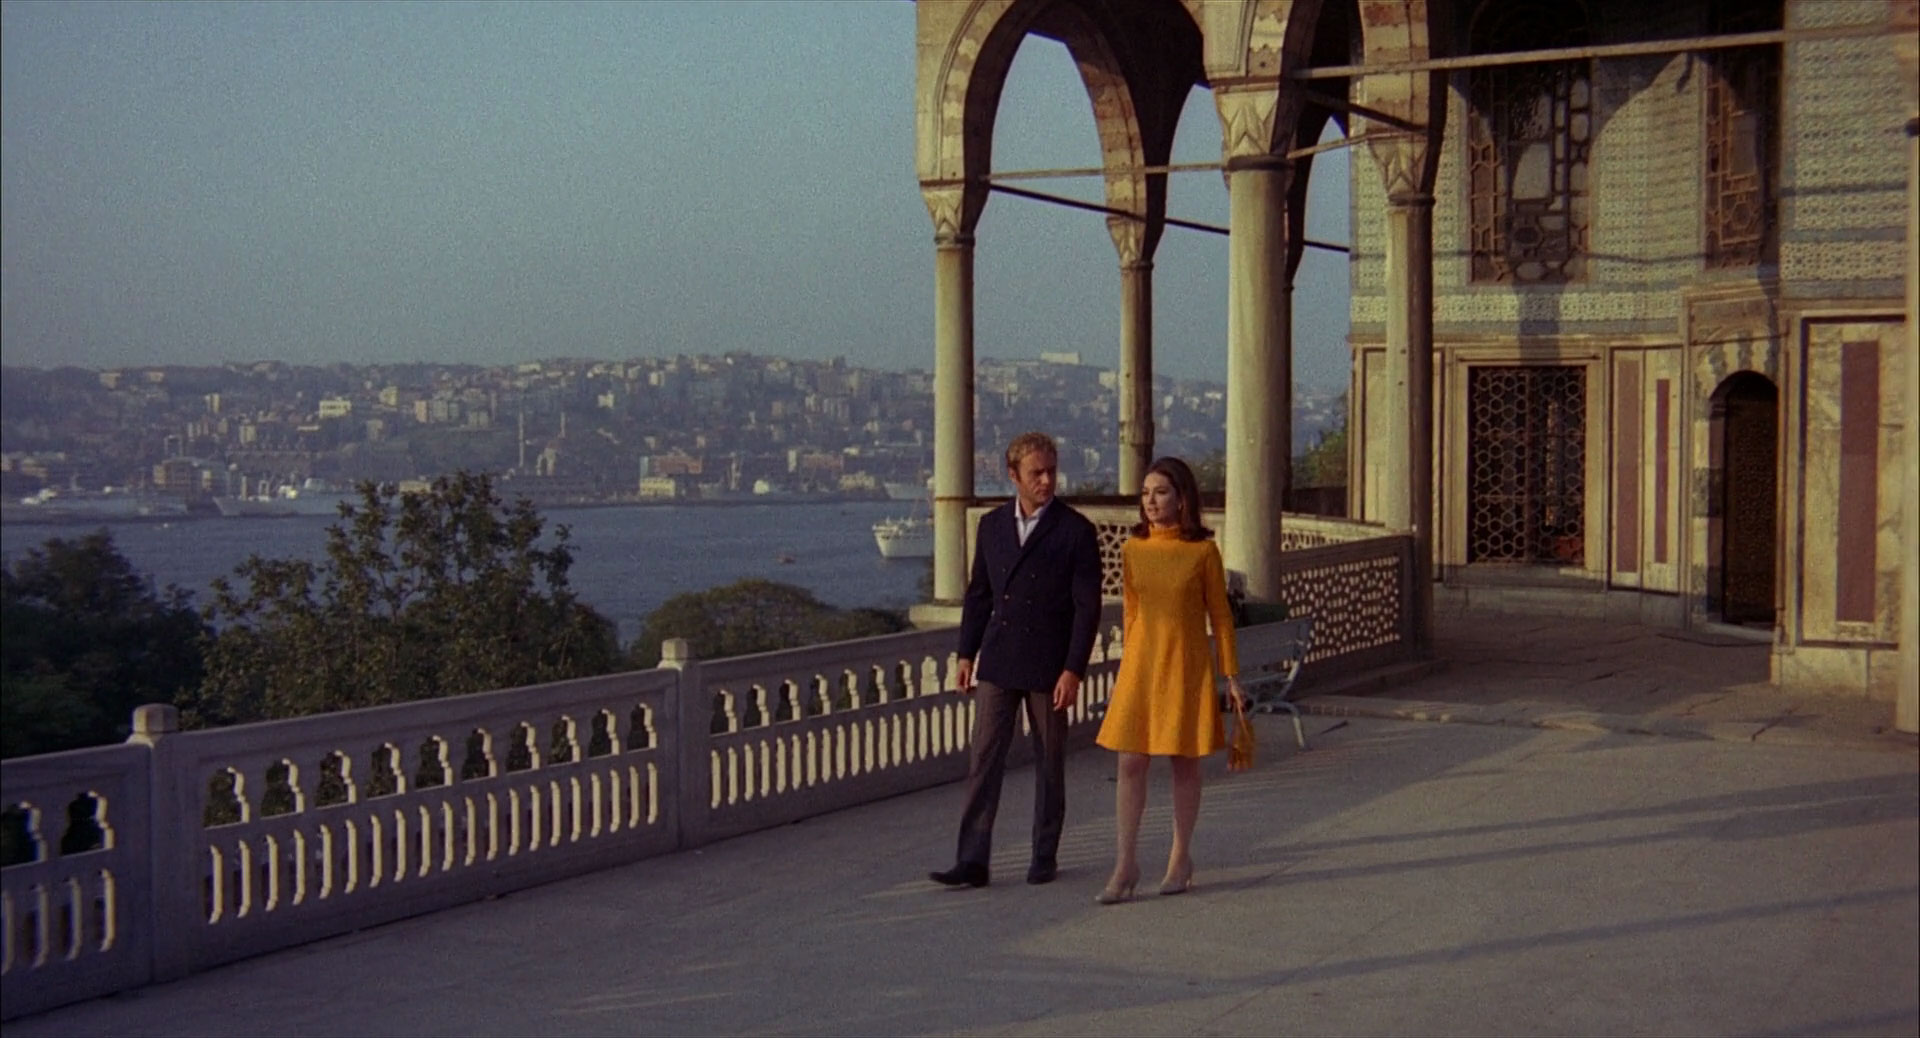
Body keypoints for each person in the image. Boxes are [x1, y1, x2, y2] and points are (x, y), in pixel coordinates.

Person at [930, 432, 1103, 889]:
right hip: (999, 659)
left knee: (1049, 763)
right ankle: (972, 859)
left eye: (1051, 471)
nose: (1047, 481)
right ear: (1013, 476)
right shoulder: (990, 527)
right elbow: (978, 595)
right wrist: (966, 653)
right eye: (1036, 473)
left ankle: (1044, 854)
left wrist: (1074, 668)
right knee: (983, 760)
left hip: (1050, 664)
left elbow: (1088, 608)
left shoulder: (1075, 530)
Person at [1093, 455, 1245, 904]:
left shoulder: (1202, 552)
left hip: (1185, 664)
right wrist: (1125, 670)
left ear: (1182, 499)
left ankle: (1180, 857)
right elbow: (1131, 613)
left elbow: (1221, 617)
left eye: (1160, 492)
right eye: (1145, 494)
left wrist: (1231, 676)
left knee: (1183, 762)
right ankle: (1126, 863)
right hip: (1140, 666)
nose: (1150, 502)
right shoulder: (1132, 549)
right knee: (1130, 763)